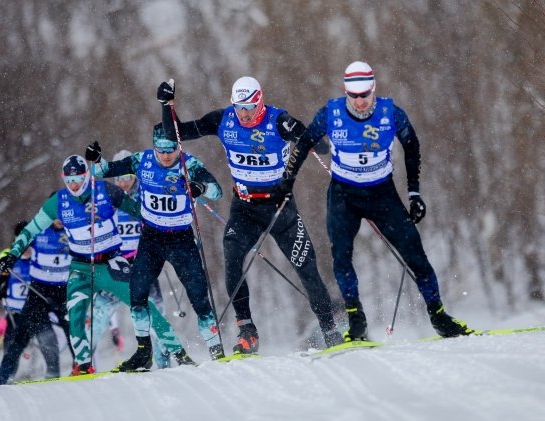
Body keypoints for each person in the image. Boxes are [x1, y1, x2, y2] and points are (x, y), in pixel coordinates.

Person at [279, 61, 475, 341]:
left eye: (365, 95)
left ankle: (439, 315)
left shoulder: (391, 113)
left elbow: (412, 147)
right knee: (341, 255)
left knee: (415, 253)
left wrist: (414, 193)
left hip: (381, 193)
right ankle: (356, 318)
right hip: (344, 194)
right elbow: (305, 143)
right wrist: (287, 182)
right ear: (346, 93)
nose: (360, 102)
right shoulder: (330, 114)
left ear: (374, 90)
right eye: (353, 96)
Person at [155, 77, 344, 354]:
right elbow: (175, 135)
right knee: (231, 261)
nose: (244, 113)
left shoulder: (278, 121)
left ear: (260, 100)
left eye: (250, 106)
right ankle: (247, 331)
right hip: (244, 208)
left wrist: (312, 138)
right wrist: (166, 105)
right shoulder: (224, 120)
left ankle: (329, 330)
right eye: (239, 107)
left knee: (307, 268)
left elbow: (312, 141)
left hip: (280, 208)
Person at [0, 155, 192, 376]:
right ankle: (83, 366)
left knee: (144, 306)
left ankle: (180, 354)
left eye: (79, 179)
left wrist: (174, 226)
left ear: (87, 175)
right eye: (69, 181)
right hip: (80, 269)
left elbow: (142, 212)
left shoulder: (105, 191)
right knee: (75, 317)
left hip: (112, 264)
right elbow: (30, 229)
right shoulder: (58, 202)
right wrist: (13, 254)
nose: (74, 185)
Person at [84, 123, 225, 370]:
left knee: (199, 296)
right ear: (154, 146)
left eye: (171, 149)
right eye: (161, 149)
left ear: (177, 147)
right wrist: (95, 160)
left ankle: (216, 350)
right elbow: (103, 171)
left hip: (180, 239)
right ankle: (143, 353)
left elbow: (217, 191)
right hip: (151, 239)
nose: (166, 154)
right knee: (137, 295)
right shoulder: (141, 160)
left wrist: (200, 187)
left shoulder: (187, 163)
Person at [88, 150, 182, 369]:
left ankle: (162, 362)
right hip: (116, 266)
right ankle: (83, 364)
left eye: (127, 178)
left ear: (135, 177)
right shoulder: (107, 200)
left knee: (156, 311)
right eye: (119, 179)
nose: (123, 183)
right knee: (99, 313)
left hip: (143, 264)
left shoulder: (145, 195)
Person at [0, 219, 73, 385]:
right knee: (13, 349)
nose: (27, 247)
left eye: (30, 242)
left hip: (37, 310)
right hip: (16, 314)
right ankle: (2, 382)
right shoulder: (8, 256)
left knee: (50, 343)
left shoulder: (39, 256)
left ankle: (53, 379)